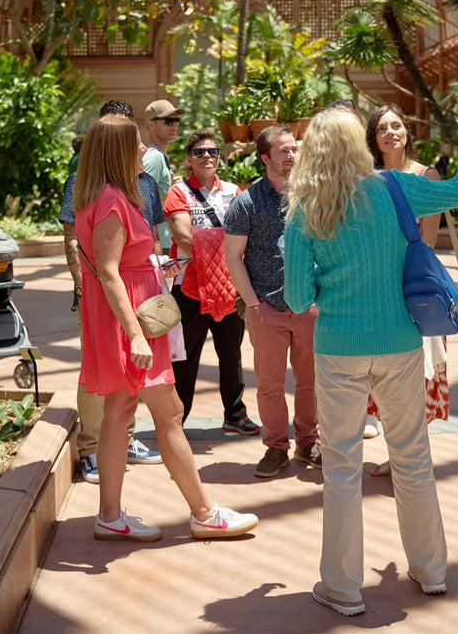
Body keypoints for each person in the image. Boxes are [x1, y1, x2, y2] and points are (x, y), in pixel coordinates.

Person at [284, 108, 458, 615]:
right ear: (360, 142)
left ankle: (343, 589)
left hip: (337, 350)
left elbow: (296, 296)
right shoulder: (396, 186)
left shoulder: (307, 208)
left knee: (343, 468)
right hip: (399, 345)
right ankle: (432, 571)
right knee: (413, 458)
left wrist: (324, 274)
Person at [72, 115, 258, 542]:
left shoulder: (104, 194)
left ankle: (110, 515)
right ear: (118, 151)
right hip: (132, 319)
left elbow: (114, 266)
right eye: (136, 144)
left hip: (125, 312)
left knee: (119, 414)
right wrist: (136, 333)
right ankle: (204, 512)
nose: (143, 150)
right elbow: (108, 270)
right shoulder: (114, 199)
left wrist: (155, 267)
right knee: (170, 413)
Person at [60, 100, 165, 484]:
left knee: (125, 385)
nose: (144, 149)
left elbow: (147, 239)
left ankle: (124, 441)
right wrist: (81, 288)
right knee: (102, 376)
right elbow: (76, 242)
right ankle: (90, 448)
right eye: (136, 141)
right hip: (105, 295)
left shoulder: (145, 184)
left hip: (139, 295)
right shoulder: (92, 188)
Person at [224, 125, 320, 478]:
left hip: (308, 306)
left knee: (310, 381)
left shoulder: (312, 196)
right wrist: (251, 304)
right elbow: (233, 255)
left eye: (294, 149)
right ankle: (276, 447)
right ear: (265, 157)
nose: (292, 155)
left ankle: (308, 442)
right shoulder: (246, 202)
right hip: (266, 306)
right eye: (283, 151)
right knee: (270, 383)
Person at [365, 103, 445, 476]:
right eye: (383, 128)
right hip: (375, 292)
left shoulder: (425, 175)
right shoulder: (367, 177)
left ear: (407, 132)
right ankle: (401, 455)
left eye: (396, 125)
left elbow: (427, 241)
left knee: (418, 374)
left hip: (413, 290)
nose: (391, 132)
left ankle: (412, 458)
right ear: (374, 138)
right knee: (383, 375)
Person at [164, 129, 259, 435]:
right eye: (200, 152)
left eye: (213, 151)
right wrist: (227, 246)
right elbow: (182, 237)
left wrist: (220, 247)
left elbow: (249, 233)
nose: (208, 156)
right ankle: (177, 420)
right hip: (189, 286)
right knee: (186, 355)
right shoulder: (178, 193)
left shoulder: (233, 191)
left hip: (228, 286)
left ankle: (235, 413)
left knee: (231, 352)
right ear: (189, 160)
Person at [142, 99, 184, 255]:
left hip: (167, 241)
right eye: (168, 121)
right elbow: (141, 197)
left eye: (176, 121)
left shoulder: (160, 156)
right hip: (161, 244)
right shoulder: (154, 158)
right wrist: (176, 194)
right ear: (151, 125)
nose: (174, 126)